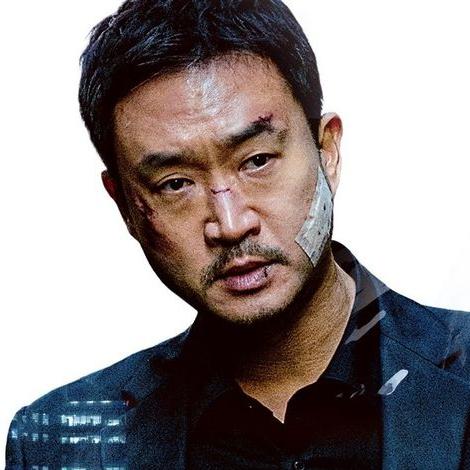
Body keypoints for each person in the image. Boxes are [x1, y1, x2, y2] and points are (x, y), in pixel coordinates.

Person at [5, 0, 470, 468]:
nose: (230, 224)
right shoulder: (60, 446)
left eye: (257, 161)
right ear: (125, 204)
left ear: (326, 151)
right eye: (176, 184)